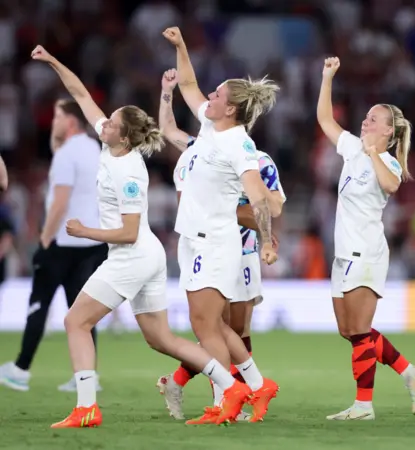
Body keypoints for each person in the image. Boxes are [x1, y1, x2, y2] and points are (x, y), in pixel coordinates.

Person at [30, 45, 253, 428]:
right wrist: (53, 62)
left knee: (75, 322)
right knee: (161, 339)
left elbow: (129, 232)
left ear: (125, 136)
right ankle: (230, 385)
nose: (103, 123)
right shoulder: (110, 143)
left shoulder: (130, 172)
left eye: (111, 121)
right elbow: (82, 94)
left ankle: (87, 408)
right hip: (143, 256)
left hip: (132, 255)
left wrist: (86, 231)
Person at [162, 27, 281, 424]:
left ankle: (225, 402)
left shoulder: (239, 145)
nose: (208, 99)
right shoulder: (212, 127)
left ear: (230, 109)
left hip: (214, 242)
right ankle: (258, 385)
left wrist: (266, 240)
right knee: (213, 325)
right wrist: (180, 46)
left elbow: (260, 197)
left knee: (203, 326)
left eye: (216, 96)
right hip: (195, 240)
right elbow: (189, 83)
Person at [317, 57, 415, 421]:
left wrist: (372, 153)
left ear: (388, 132)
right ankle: (411, 372)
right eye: (366, 116)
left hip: (365, 250)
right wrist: (327, 77)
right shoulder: (351, 148)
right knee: (349, 331)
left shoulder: (389, 161)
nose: (366, 121)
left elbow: (391, 185)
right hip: (343, 252)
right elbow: (324, 120)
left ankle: (363, 405)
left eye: (374, 119)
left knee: (360, 331)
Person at [0, 99, 108, 393]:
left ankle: (20, 369)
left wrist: (45, 238)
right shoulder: (93, 148)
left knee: (39, 304)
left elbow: (60, 201)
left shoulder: (65, 156)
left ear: (70, 122)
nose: (53, 121)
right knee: (82, 312)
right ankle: (86, 376)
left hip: (61, 242)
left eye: (58, 116)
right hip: (89, 242)